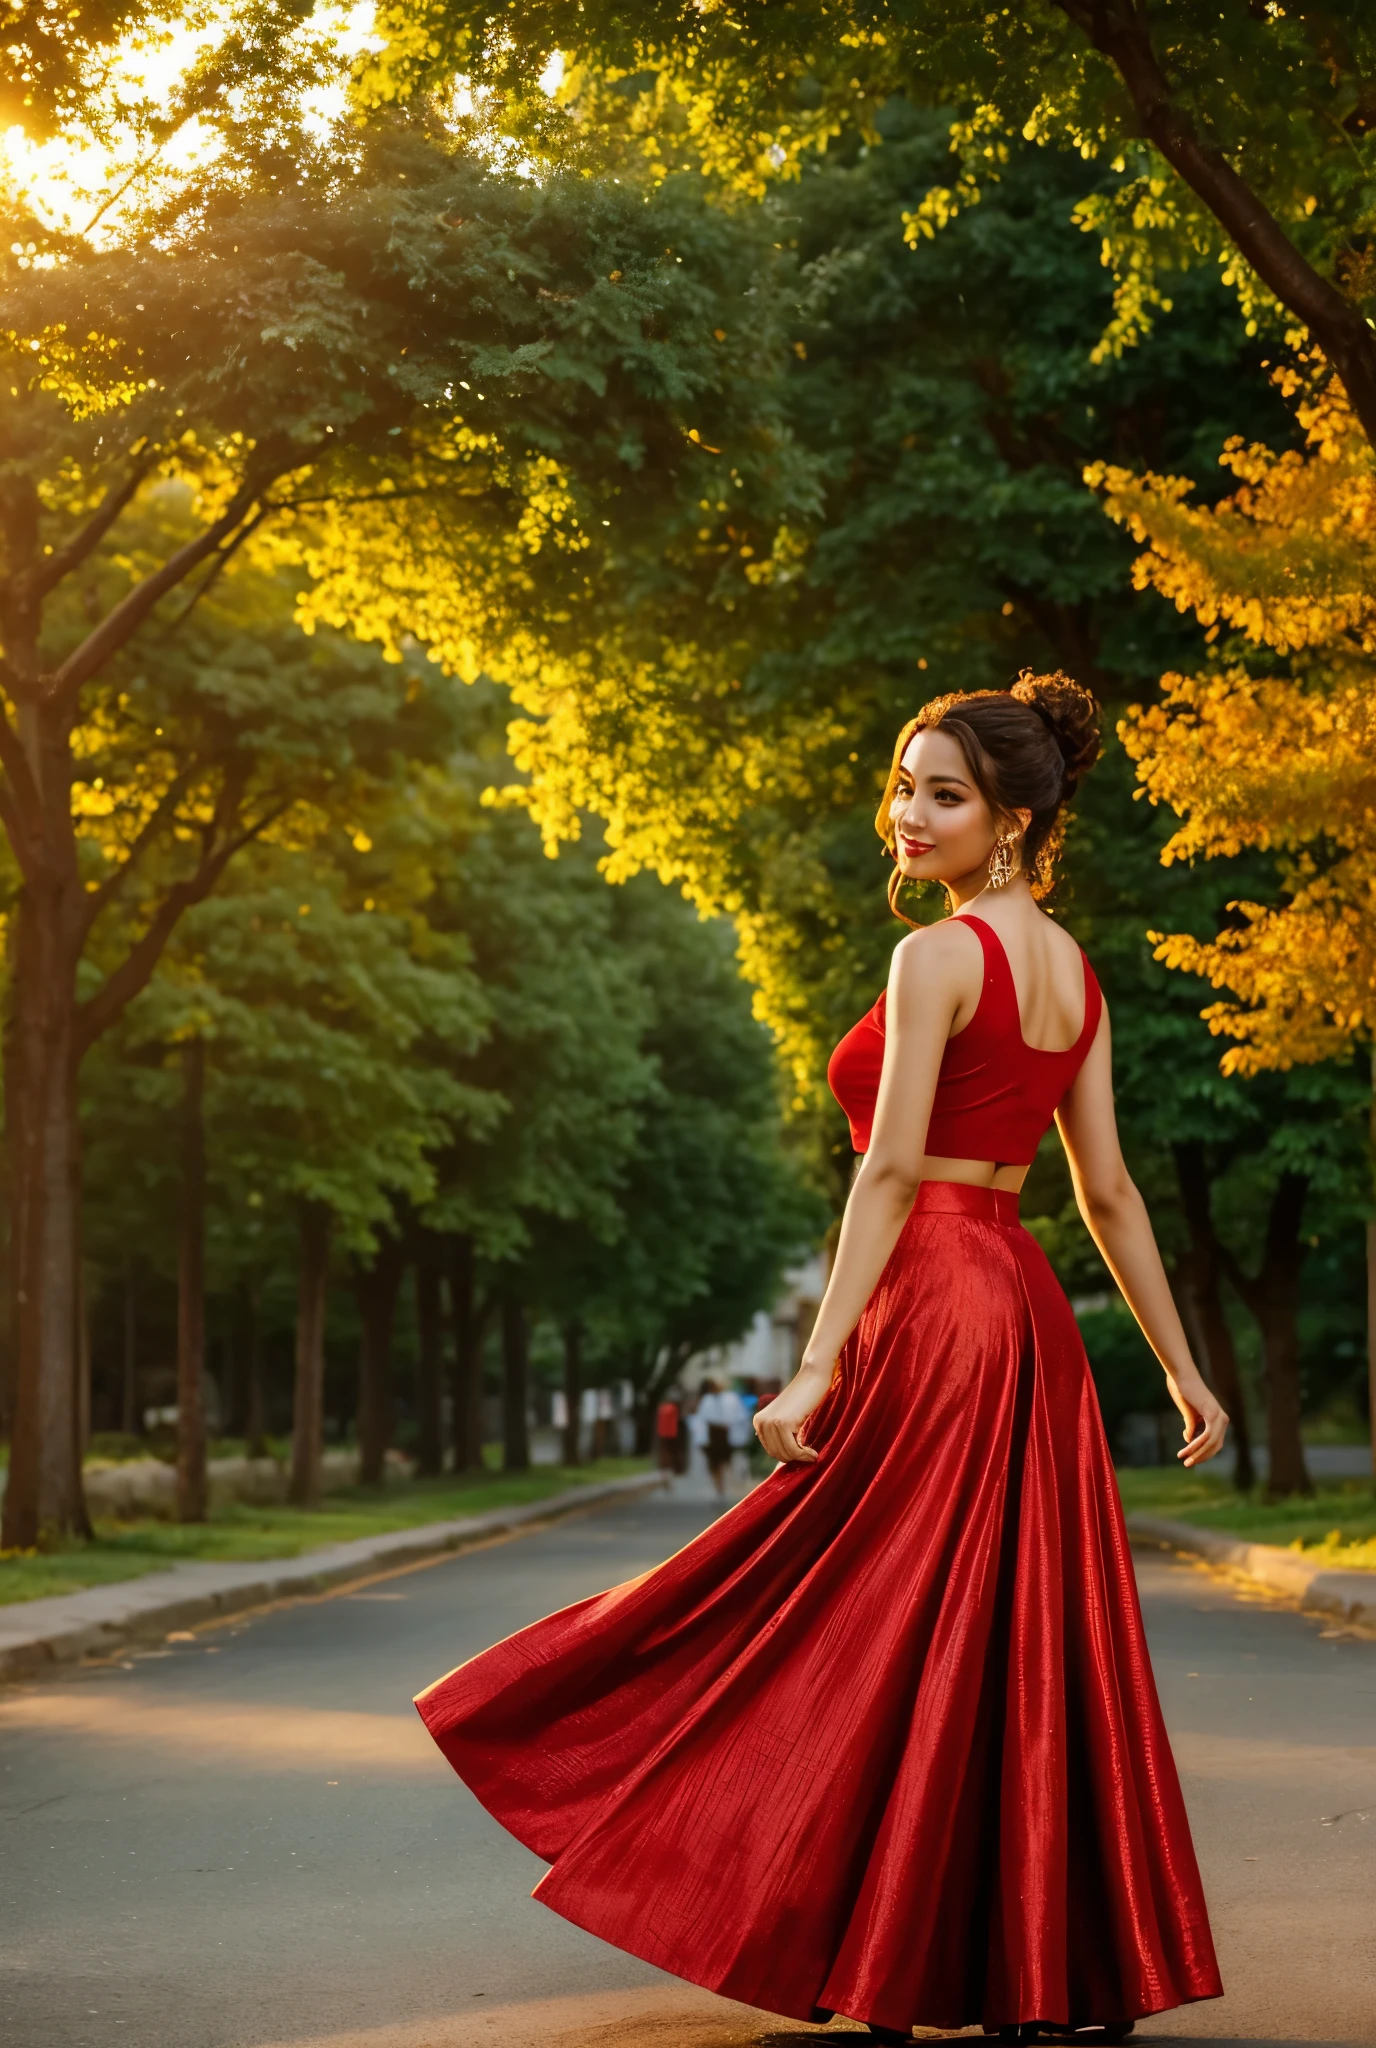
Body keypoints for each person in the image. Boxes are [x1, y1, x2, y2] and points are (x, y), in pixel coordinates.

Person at [415, 672, 1227, 2044]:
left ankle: (873, 1938)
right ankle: (1026, 1968)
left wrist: (815, 1356)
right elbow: (1110, 1196)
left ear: (1014, 818)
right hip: (1020, 1310)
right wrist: (1183, 1366)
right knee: (992, 1632)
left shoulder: (934, 959)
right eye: (905, 785)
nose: (908, 814)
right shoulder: (1074, 973)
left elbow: (894, 1168)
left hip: (937, 1299)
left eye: (945, 795)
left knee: (837, 1605)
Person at [696, 1376, 751, 1497]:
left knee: (727, 1462)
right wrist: (701, 1439)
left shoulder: (731, 1398)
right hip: (712, 1436)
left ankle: (729, 1487)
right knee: (714, 1464)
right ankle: (719, 1489)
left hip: (727, 1435)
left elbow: (741, 1416)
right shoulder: (707, 1399)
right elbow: (702, 1420)